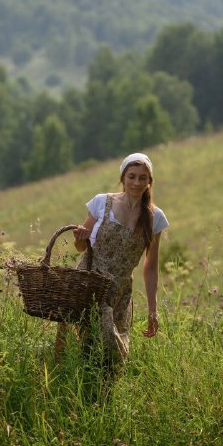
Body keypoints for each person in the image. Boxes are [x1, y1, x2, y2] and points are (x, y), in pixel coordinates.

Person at [55, 152, 169, 366]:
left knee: (110, 357)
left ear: (149, 182)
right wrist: (79, 238)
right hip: (88, 283)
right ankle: (68, 385)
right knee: (79, 344)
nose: (136, 182)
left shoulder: (156, 218)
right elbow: (81, 248)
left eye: (142, 178)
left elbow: (151, 267)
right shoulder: (101, 203)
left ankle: (101, 395)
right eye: (132, 176)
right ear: (123, 178)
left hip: (119, 292)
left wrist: (153, 310)